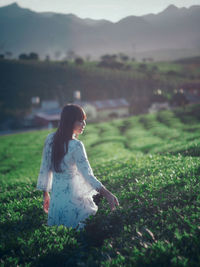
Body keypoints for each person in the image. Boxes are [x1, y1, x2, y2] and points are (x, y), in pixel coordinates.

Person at [36, 103, 119, 230]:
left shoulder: (50, 139)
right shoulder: (76, 146)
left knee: (61, 239)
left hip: (57, 202)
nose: (84, 125)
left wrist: (46, 194)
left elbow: (45, 169)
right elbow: (88, 176)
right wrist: (107, 194)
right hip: (74, 203)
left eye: (84, 121)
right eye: (80, 121)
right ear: (70, 122)